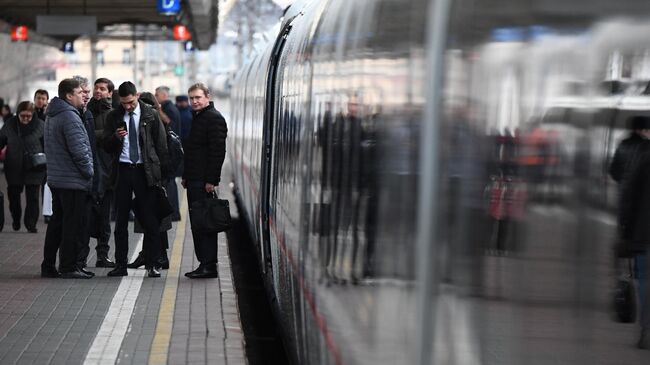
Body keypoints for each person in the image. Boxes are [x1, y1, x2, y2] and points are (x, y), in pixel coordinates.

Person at [102, 82, 168, 278]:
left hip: (144, 171)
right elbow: (105, 145)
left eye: (130, 102)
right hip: (122, 171)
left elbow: (161, 146)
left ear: (137, 95)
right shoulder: (114, 116)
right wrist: (115, 137)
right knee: (120, 220)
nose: (127, 107)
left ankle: (153, 263)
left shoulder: (151, 114)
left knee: (150, 219)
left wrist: (160, 177)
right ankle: (120, 264)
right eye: (123, 103)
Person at [41, 78, 94, 279]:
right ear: (68, 95)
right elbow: (80, 150)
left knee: (57, 223)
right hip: (72, 180)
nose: (84, 95)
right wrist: (89, 171)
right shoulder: (69, 116)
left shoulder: (53, 114)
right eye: (80, 92)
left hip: (57, 178)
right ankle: (68, 266)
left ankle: (48, 265)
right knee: (72, 224)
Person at [182, 83, 227, 279]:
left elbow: (218, 153)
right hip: (194, 179)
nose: (194, 101)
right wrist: (185, 175)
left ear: (207, 96)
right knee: (198, 224)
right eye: (191, 98)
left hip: (203, 182)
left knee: (205, 224)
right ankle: (205, 264)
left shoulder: (214, 119)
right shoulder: (199, 118)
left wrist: (211, 180)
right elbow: (193, 151)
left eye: (198, 97)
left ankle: (208, 265)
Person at [0, 101, 45, 233]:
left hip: (35, 167)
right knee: (13, 195)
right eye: (22, 115)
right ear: (18, 114)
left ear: (33, 115)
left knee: (33, 197)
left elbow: (48, 145)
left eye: (28, 116)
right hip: (14, 166)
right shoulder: (10, 125)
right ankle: (16, 218)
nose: (25, 118)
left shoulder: (41, 126)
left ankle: (31, 223)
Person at [86, 77, 116, 268]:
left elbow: (114, 136)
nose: (98, 91)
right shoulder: (85, 110)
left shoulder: (113, 114)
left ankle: (102, 255)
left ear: (110, 93)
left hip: (108, 171)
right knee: (86, 216)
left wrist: (93, 135)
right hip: (89, 171)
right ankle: (82, 255)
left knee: (104, 218)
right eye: (96, 88)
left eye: (103, 89)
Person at [155, 86, 182, 221]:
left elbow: (169, 124)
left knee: (170, 184)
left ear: (164, 95)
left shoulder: (169, 109)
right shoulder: (170, 108)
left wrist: (158, 110)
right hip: (171, 152)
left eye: (157, 94)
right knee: (170, 184)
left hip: (170, 152)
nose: (155, 96)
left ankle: (173, 213)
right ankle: (173, 212)